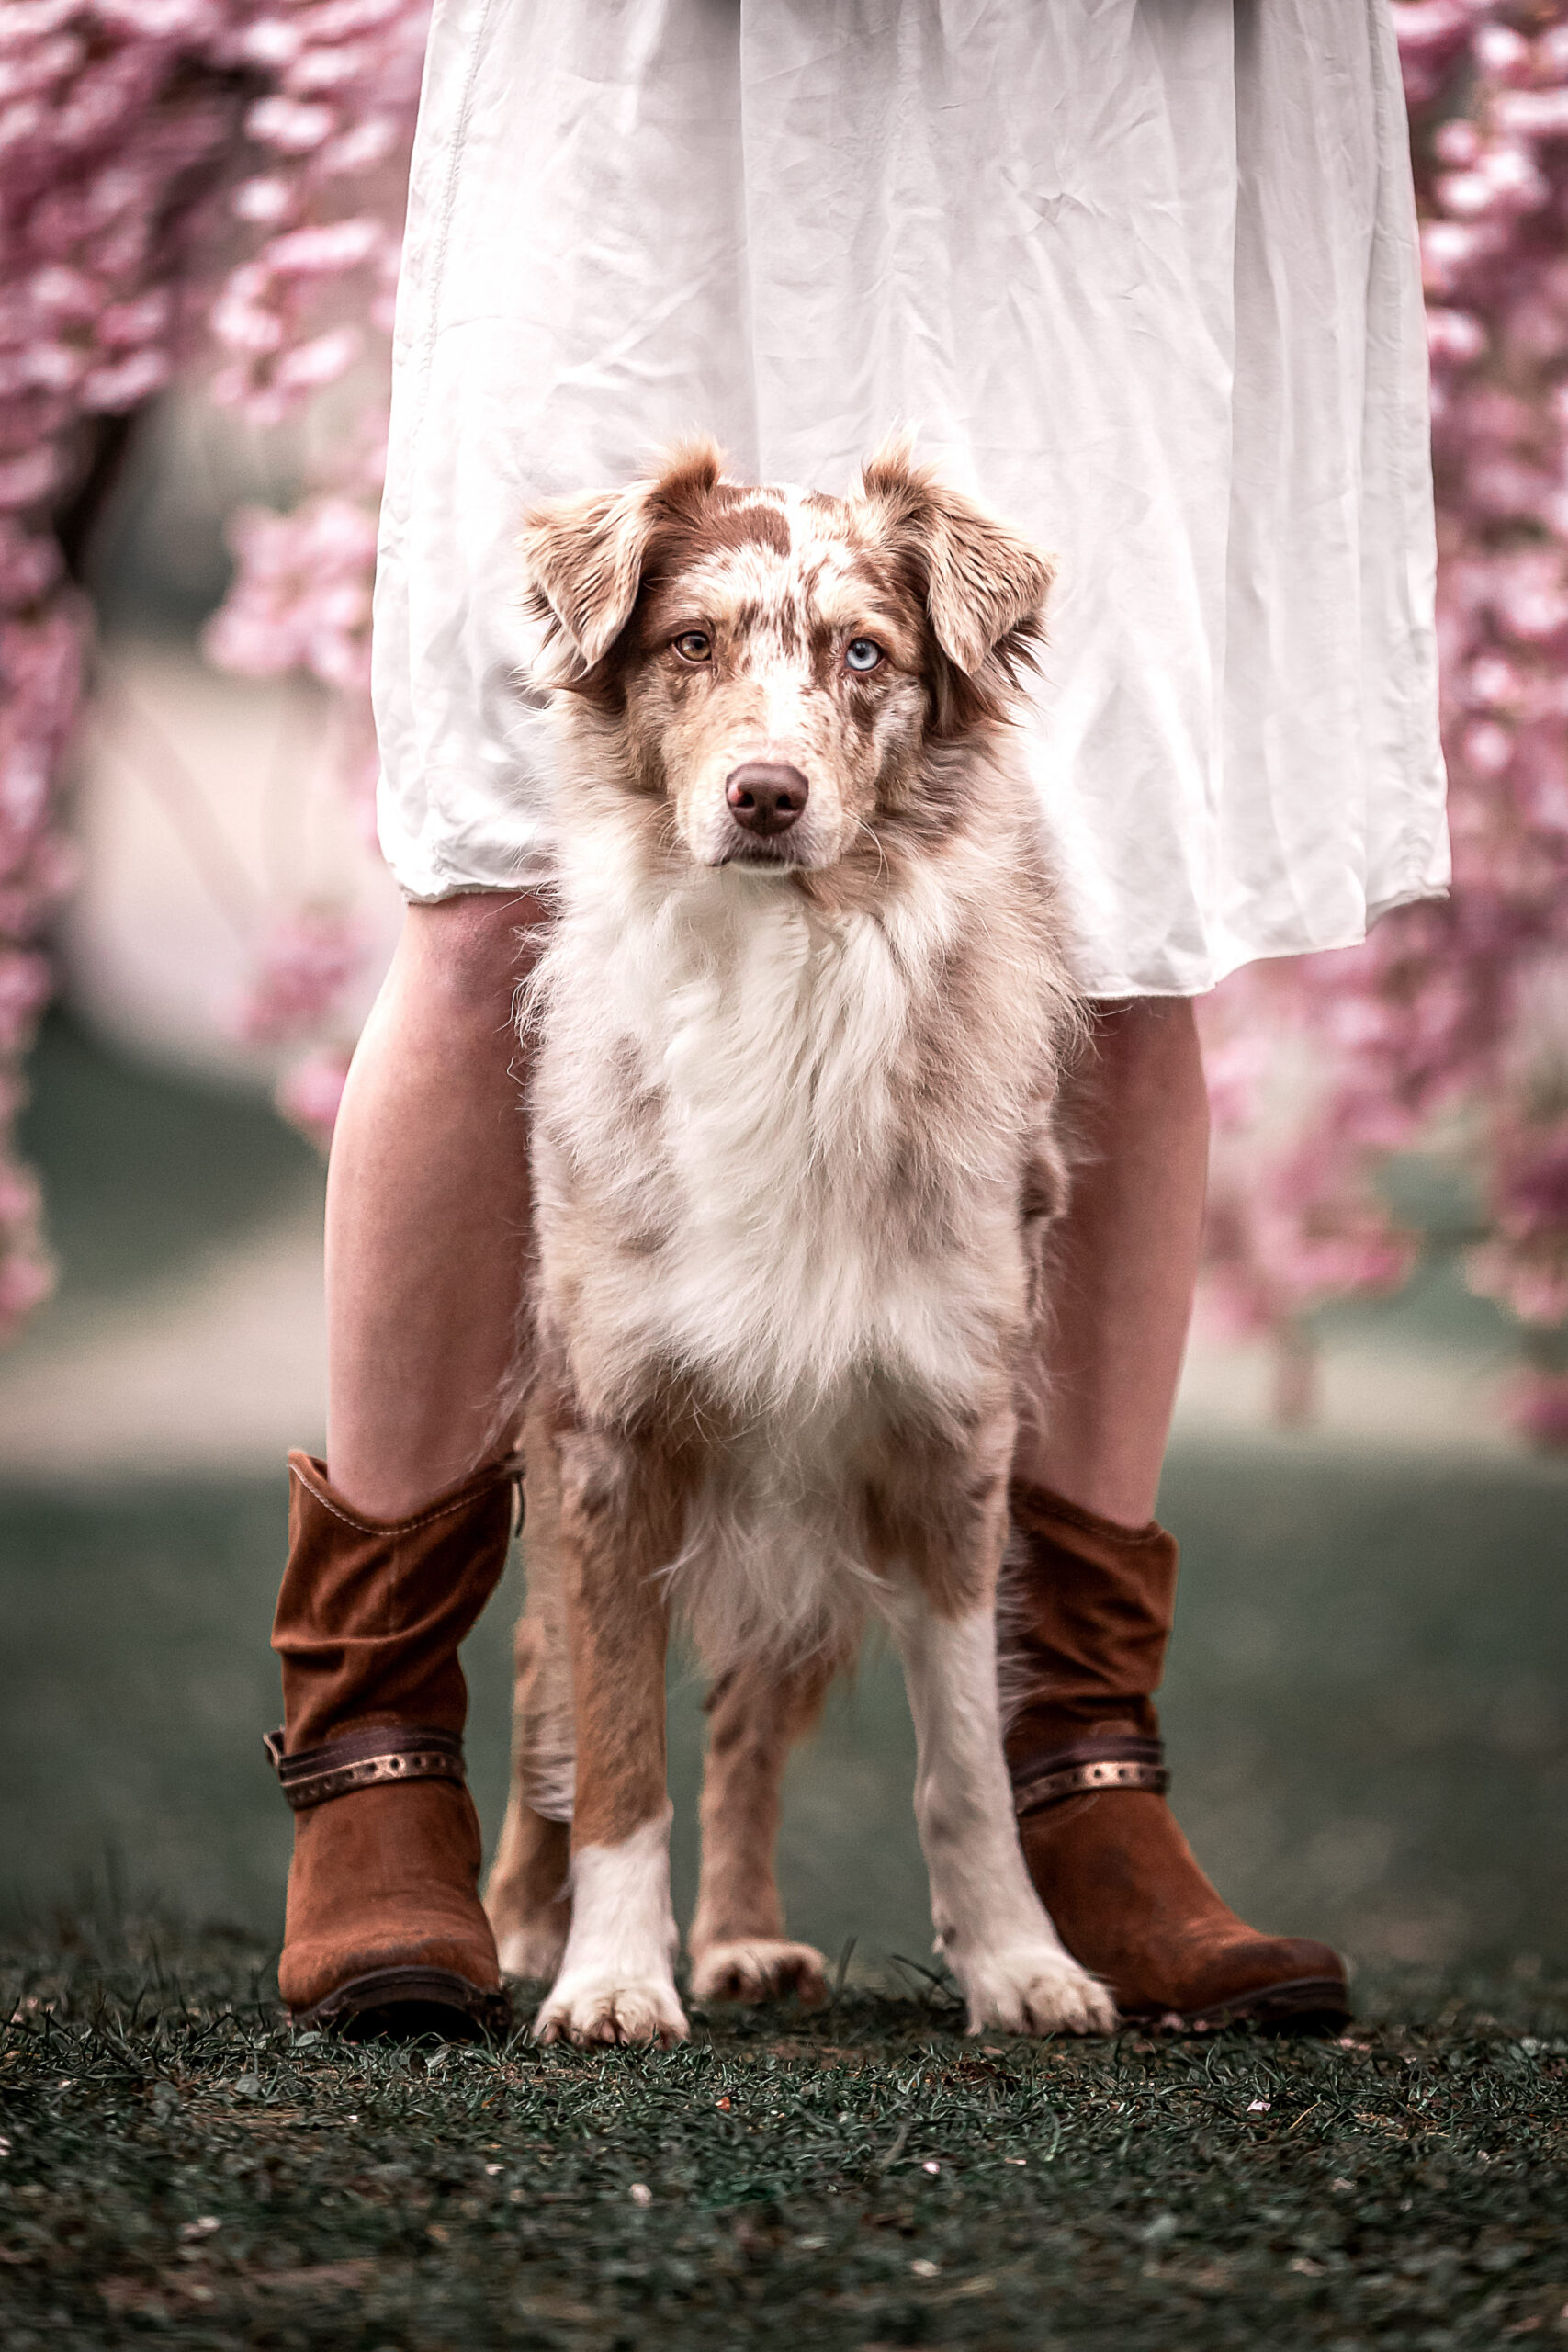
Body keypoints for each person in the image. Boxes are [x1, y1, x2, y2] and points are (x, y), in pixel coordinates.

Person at [266, 0, 1448, 2038]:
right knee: (484, 864)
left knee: (1128, 891)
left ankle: (1077, 1759)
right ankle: (374, 1752)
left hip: (1103, 74)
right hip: (644, 54)